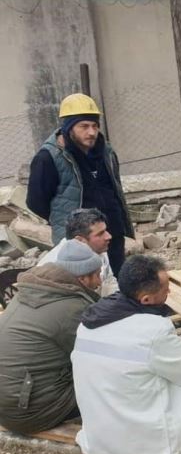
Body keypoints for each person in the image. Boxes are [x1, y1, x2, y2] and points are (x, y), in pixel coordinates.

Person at [72, 254, 181, 454]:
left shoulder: (88, 323)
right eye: (165, 288)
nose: (170, 292)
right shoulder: (152, 330)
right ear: (146, 299)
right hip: (145, 447)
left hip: (101, 439)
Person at [0, 241, 102, 434]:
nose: (99, 282)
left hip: (10, 403)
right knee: (114, 375)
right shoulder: (72, 308)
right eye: (96, 275)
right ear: (82, 278)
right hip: (32, 413)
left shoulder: (29, 291)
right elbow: (101, 356)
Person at [26, 93, 133, 276]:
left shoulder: (106, 151)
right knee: (85, 284)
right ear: (68, 128)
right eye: (84, 126)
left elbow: (116, 188)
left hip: (111, 234)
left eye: (94, 125)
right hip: (79, 239)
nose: (91, 132)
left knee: (116, 281)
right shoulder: (48, 158)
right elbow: (36, 202)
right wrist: (66, 221)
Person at [38, 208, 117, 296]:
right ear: (80, 240)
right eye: (100, 234)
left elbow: (109, 282)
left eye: (105, 230)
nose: (108, 236)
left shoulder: (98, 249)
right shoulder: (55, 267)